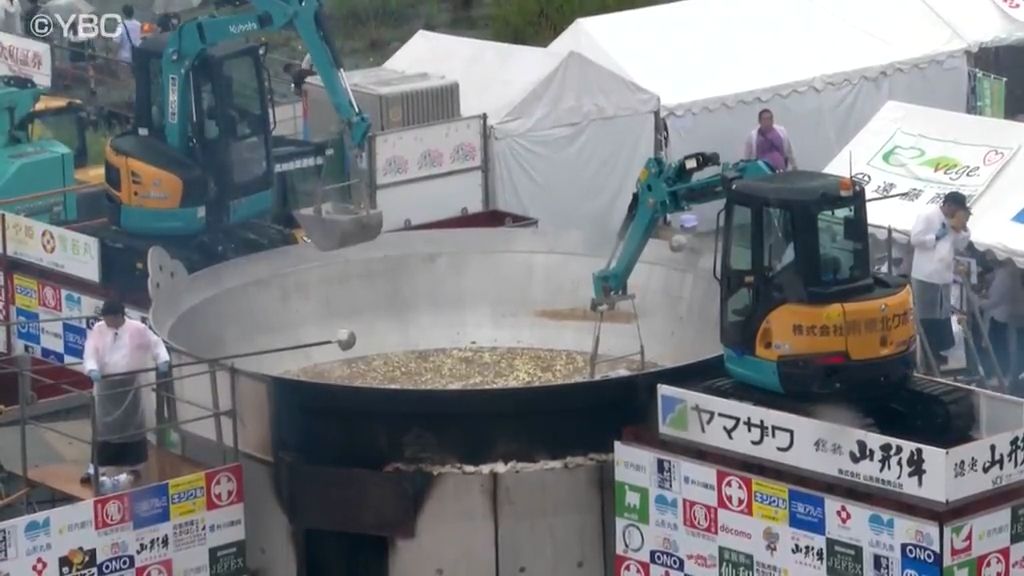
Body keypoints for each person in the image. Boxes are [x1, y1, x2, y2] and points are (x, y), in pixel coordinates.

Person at [80, 299, 170, 485]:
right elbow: (90, 352)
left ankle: (134, 466)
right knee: (104, 430)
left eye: (109, 318)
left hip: (131, 386)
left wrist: (162, 360)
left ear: (118, 316)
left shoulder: (137, 328)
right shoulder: (99, 329)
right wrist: (92, 369)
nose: (106, 322)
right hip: (106, 386)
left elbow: (156, 343)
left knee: (132, 428)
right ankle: (96, 468)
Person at [910, 192, 972, 367]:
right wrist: (937, 236)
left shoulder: (953, 222)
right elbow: (915, 239)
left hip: (944, 276)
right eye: (957, 210)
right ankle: (926, 355)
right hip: (925, 275)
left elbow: (961, 244)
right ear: (949, 205)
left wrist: (963, 228)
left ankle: (937, 352)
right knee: (926, 316)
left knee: (942, 316)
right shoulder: (928, 216)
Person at [979, 259, 1024, 385]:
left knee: (1001, 347)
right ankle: (1009, 375)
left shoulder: (1007, 273)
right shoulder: (1011, 270)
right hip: (1011, 315)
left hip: (1002, 316)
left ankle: (1002, 375)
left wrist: (977, 301)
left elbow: (995, 300)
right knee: (1013, 347)